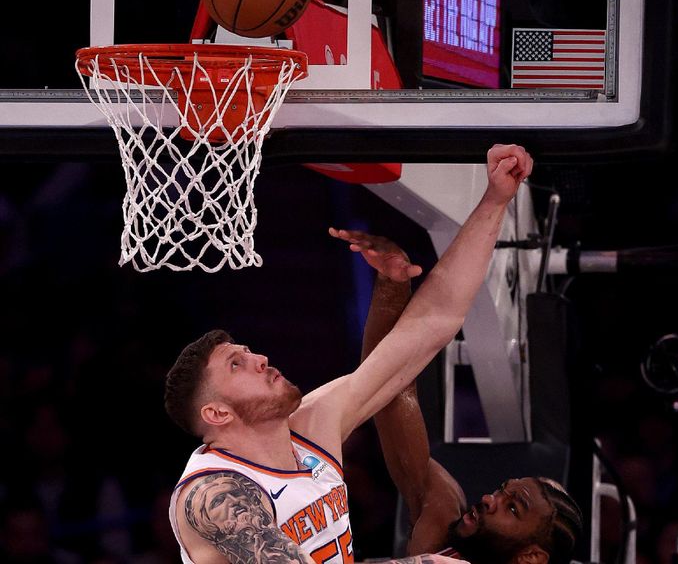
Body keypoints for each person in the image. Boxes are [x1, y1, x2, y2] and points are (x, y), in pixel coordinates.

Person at [163, 145, 534, 564]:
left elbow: (432, 325)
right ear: (216, 414)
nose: (260, 359)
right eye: (237, 364)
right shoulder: (211, 495)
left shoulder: (311, 428)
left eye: (248, 351)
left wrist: (495, 199)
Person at [344, 226, 583, 564]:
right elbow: (386, 391)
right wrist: (392, 285)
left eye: (512, 508)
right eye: (503, 491)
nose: (488, 498)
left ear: (532, 556)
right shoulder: (443, 513)